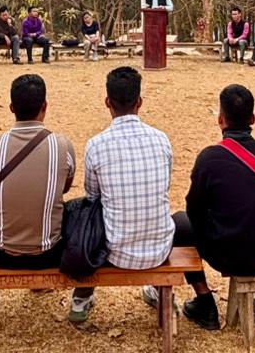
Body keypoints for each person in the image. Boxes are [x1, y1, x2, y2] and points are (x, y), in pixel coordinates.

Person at [176, 84, 255, 330]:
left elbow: (194, 210)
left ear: (220, 119)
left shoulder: (210, 158)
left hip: (227, 255)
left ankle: (205, 302)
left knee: (179, 224)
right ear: (253, 119)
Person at [70, 67, 173, 325]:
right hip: (159, 249)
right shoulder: (162, 140)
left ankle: (81, 297)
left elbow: (92, 196)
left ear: (107, 102)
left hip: (114, 250)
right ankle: (158, 291)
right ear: (139, 102)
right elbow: (164, 186)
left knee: (82, 214)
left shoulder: (96, 144)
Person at [0, 75, 76, 271]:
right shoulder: (62, 145)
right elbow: (65, 188)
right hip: (48, 253)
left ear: (12, 108)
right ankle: (82, 295)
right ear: (45, 106)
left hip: (2, 253)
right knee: (76, 210)